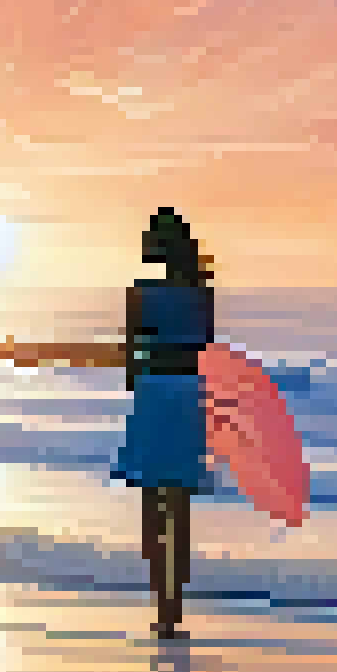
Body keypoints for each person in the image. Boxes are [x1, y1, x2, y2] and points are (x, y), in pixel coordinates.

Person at [115, 208, 217, 639]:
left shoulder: (139, 292)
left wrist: (138, 381)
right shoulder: (201, 293)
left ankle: (161, 604)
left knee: (151, 503)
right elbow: (205, 347)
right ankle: (173, 607)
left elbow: (131, 355)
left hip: (154, 392)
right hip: (188, 392)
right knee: (180, 506)